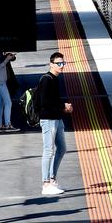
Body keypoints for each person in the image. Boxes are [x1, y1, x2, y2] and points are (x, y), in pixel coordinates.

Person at [39, 52, 73, 195]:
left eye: (63, 63)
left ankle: (52, 179)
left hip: (57, 119)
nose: (62, 66)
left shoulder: (55, 79)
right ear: (51, 64)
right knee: (48, 151)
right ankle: (46, 184)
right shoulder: (46, 80)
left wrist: (62, 108)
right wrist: (63, 106)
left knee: (62, 148)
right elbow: (45, 102)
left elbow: (53, 100)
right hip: (48, 120)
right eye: (59, 63)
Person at [0, 52, 20, 132]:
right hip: (0, 81)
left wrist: (7, 57)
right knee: (8, 103)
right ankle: (8, 125)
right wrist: (7, 59)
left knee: (1, 103)